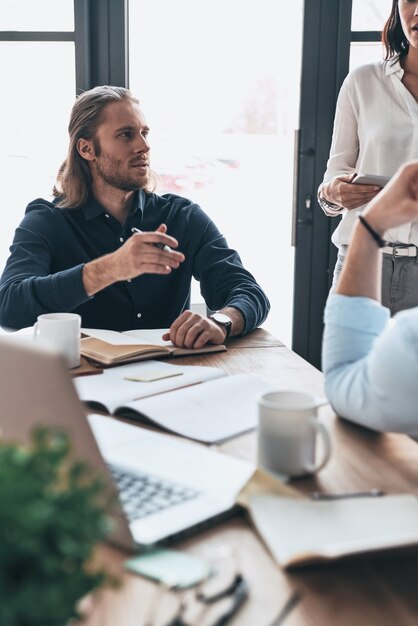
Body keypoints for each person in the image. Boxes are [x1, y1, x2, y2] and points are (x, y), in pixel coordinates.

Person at [0, 86, 269, 349]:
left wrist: (222, 321)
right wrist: (109, 269)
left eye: (144, 133)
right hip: (83, 382)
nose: (144, 145)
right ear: (86, 149)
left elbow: (248, 292)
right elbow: (8, 308)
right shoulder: (46, 220)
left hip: (171, 379)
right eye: (126, 135)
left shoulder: (183, 216)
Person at [318, 0, 418, 314]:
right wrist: (334, 193)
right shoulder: (361, 83)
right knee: (350, 365)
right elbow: (332, 182)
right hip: (361, 266)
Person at [322, 160, 418, 437]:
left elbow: (345, 384)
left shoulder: (412, 338)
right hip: (369, 266)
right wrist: (332, 193)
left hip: (370, 250)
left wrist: (370, 226)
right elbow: (330, 187)